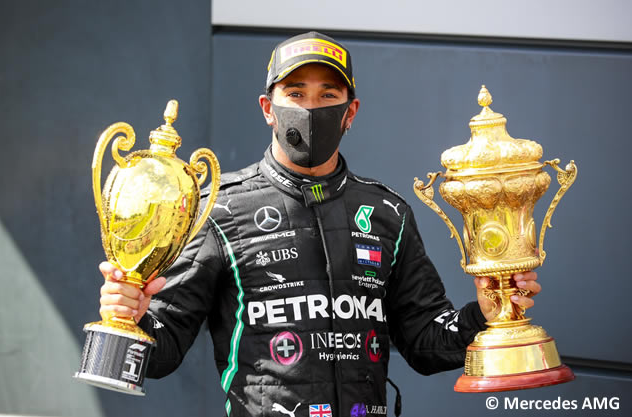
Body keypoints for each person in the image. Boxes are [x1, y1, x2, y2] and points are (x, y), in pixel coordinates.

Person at [98, 31, 541, 417]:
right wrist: (132, 320)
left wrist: (484, 314)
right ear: (268, 108)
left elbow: (425, 340)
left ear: (351, 111)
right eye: (295, 93)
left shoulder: (388, 212)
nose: (311, 107)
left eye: (328, 95)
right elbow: (164, 348)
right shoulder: (219, 210)